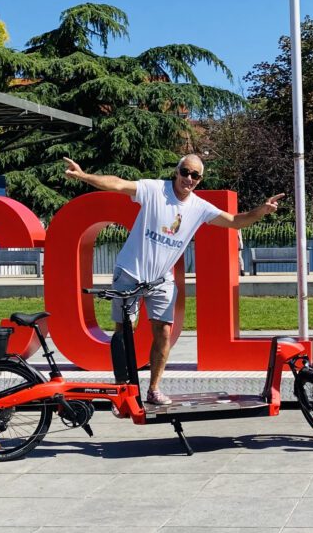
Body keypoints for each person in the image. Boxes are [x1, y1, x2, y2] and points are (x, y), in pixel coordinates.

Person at [63, 154, 284, 406]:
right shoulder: (155, 190)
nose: (189, 178)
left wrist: (261, 210)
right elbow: (118, 184)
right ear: (177, 172)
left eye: (195, 175)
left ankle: (153, 390)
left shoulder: (199, 207)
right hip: (130, 272)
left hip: (161, 280)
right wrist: (84, 176)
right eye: (185, 172)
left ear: (200, 180)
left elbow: (235, 221)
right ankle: (122, 389)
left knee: (164, 333)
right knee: (124, 331)